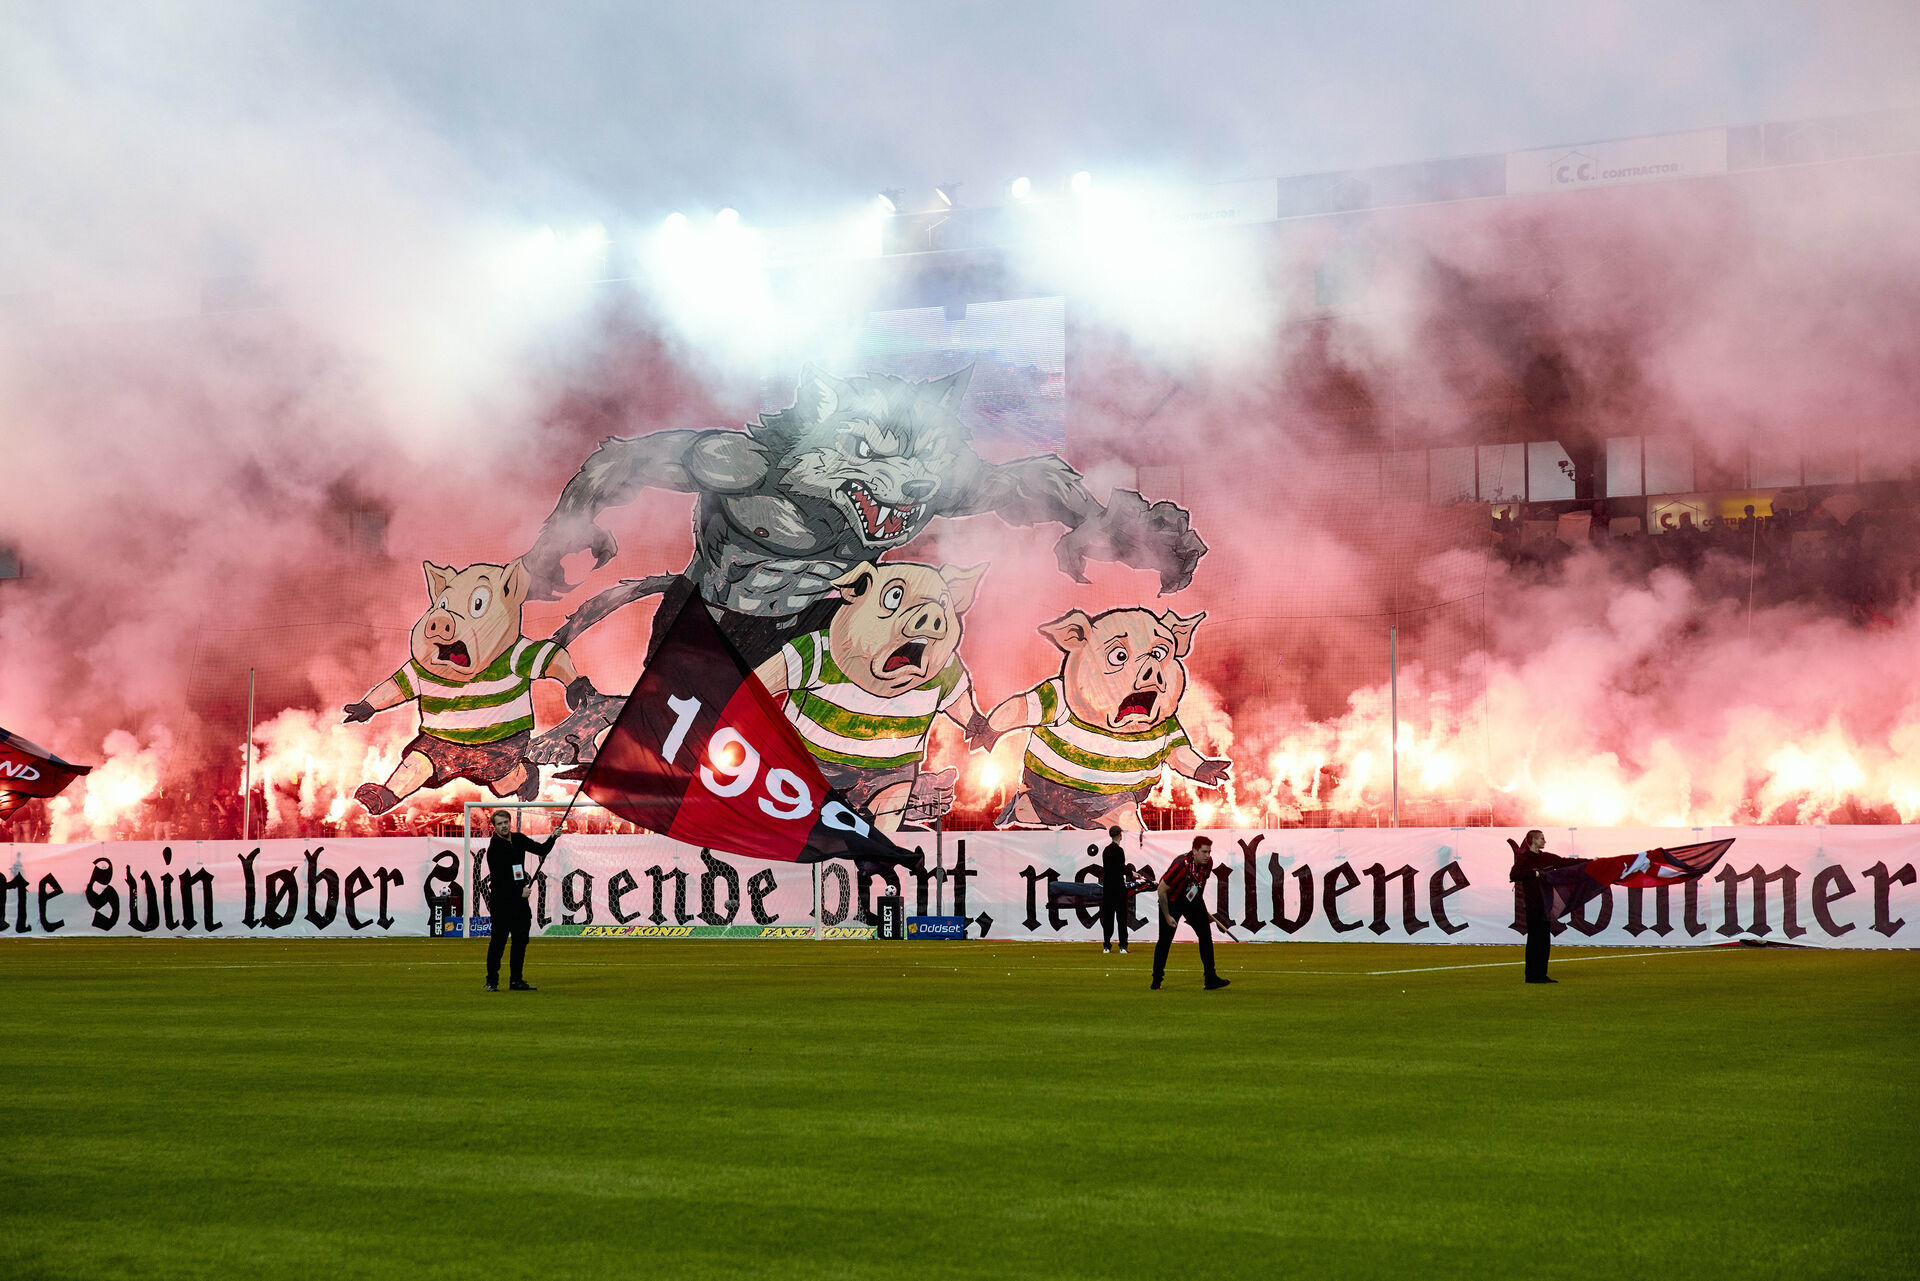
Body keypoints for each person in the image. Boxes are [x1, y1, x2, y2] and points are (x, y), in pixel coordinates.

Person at [485, 809, 558, 992]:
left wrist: (553, 837)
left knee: (520, 941)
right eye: (499, 824)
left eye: (505, 822)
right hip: (502, 902)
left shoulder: (518, 839)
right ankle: (492, 980)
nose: (503, 826)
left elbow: (540, 850)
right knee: (498, 942)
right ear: (494, 827)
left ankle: (516, 980)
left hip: (519, 902)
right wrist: (520, 892)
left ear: (510, 822)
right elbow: (500, 880)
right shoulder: (494, 849)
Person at [1151, 835, 1229, 991]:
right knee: (1165, 940)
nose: (1207, 856)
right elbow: (1161, 890)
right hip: (1171, 902)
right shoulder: (1181, 866)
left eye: (1209, 852)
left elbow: (1200, 885)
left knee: (1205, 935)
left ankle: (1210, 978)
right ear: (1194, 851)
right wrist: (1167, 916)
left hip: (1191, 900)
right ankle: (1156, 980)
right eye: (1204, 852)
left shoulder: (1208, 864)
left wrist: (1202, 910)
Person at [1509, 829, 1580, 984]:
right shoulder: (1524, 858)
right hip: (1533, 906)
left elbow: (1565, 862)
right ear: (1533, 840)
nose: (1544, 841)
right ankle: (1531, 975)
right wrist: (1533, 873)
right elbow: (1514, 875)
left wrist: (1590, 862)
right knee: (1535, 940)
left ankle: (1541, 974)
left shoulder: (1547, 857)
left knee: (1544, 941)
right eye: (1541, 839)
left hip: (1545, 904)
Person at [1099, 825, 1130, 954]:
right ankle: (1123, 946)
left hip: (1107, 888)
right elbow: (1120, 869)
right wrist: (1132, 873)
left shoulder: (1106, 850)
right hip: (1118, 888)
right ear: (1120, 835)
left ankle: (1106, 945)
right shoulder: (1119, 850)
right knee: (1121, 918)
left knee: (1108, 918)